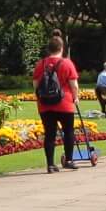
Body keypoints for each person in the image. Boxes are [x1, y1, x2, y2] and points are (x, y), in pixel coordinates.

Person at [33, 32, 81, 172]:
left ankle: (50, 164)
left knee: (49, 134)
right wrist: (75, 97)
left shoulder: (40, 64)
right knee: (68, 131)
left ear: (48, 49)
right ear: (61, 48)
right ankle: (69, 160)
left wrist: (40, 97)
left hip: (45, 105)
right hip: (64, 103)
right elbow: (74, 85)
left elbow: (36, 84)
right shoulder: (67, 63)